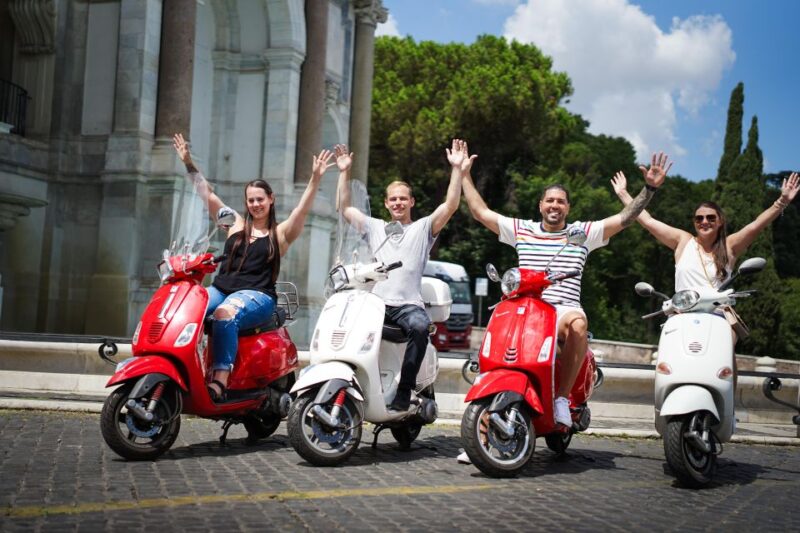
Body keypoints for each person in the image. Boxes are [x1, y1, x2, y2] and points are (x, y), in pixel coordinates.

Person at [461, 151, 672, 427]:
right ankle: (482, 421)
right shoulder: (521, 229)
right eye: (550, 200)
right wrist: (463, 173)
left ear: (568, 208)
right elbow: (480, 212)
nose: (555, 205)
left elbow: (625, 218)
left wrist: (650, 189)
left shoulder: (582, 234)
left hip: (561, 311)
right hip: (526, 308)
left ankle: (561, 399)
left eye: (561, 202)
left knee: (578, 325)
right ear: (540, 205)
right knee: (496, 328)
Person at [172, 133, 335, 401]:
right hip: (221, 288)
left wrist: (315, 179)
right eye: (251, 200)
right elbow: (206, 193)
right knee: (188, 309)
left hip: (258, 296)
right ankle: (186, 369)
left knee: (224, 313)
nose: (255, 204)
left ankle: (221, 378)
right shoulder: (233, 223)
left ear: (270, 199)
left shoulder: (279, 234)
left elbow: (301, 212)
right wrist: (188, 162)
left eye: (260, 199)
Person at [610, 170, 799, 388]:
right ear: (694, 222)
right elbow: (648, 220)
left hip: (718, 316)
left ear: (720, 222)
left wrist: (781, 201)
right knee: (668, 352)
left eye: (711, 217)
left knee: (726, 351)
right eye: (699, 218)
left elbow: (756, 225)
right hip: (682, 313)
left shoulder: (729, 246)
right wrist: (624, 194)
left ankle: (727, 409)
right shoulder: (683, 241)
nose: (704, 222)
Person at [334, 139, 475, 412]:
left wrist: (457, 169)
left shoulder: (423, 228)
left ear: (411, 202)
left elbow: (450, 205)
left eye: (403, 198)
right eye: (393, 199)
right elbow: (345, 208)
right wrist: (344, 172)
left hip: (408, 306)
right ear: (386, 204)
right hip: (375, 303)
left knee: (421, 327)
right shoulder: (375, 227)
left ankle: (405, 389)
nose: (398, 203)